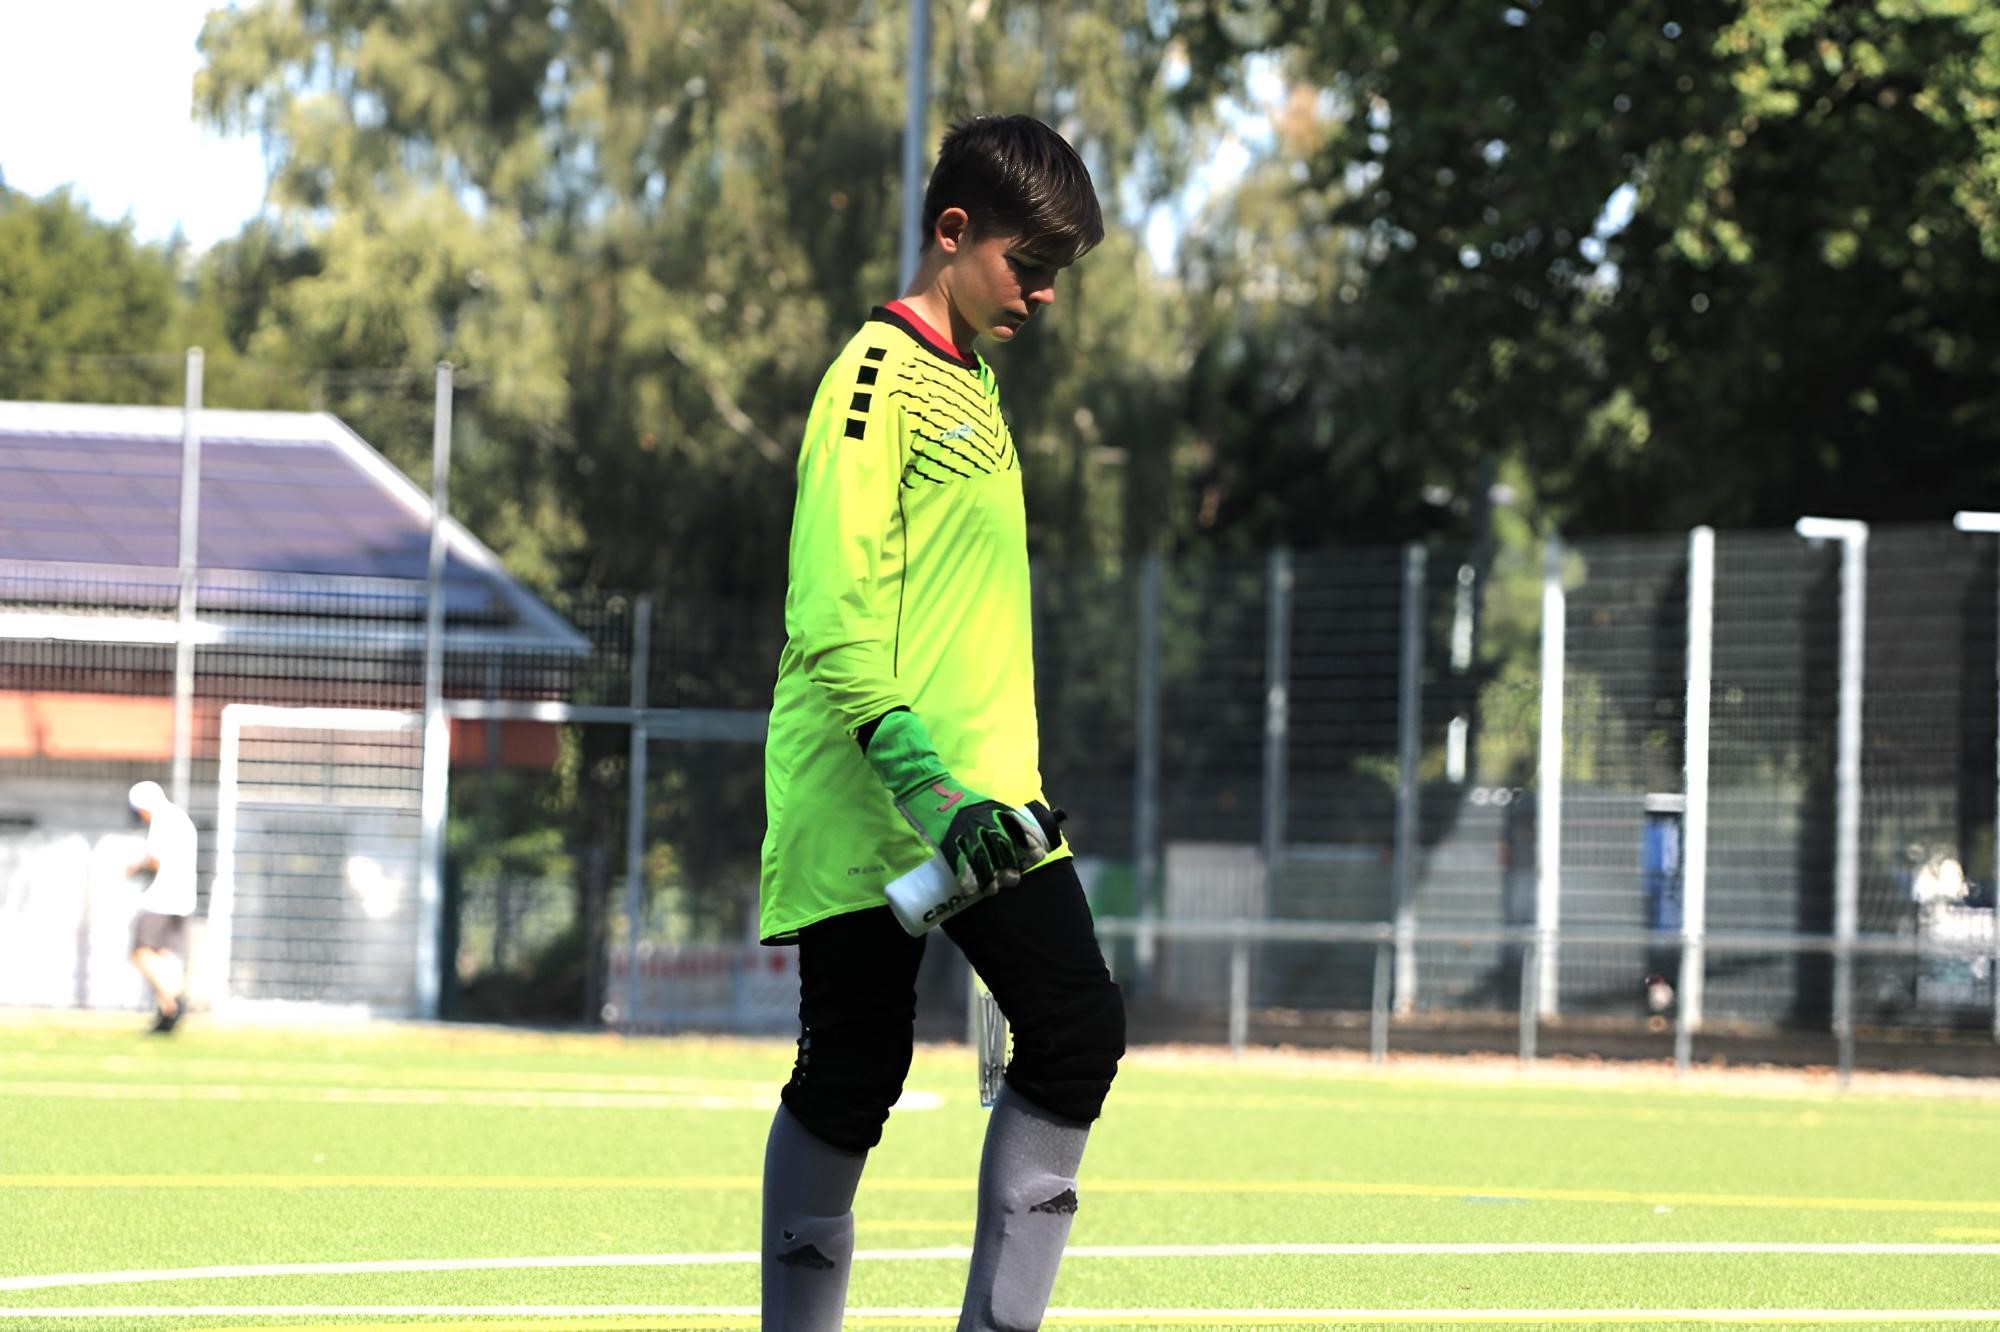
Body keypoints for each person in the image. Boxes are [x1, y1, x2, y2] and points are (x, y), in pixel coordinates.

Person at [758, 114, 1126, 1331]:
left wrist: (999, 781)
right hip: (885, 802)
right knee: (853, 1072)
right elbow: (831, 615)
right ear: (952, 232)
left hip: (987, 808)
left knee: (1073, 1030)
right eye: (1031, 264)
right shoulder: (871, 380)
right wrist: (931, 789)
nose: (1044, 293)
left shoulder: (972, 380)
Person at [125, 779, 198, 1033]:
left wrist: (135, 869)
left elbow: (156, 861)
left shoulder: (162, 820)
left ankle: (175, 999)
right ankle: (166, 1014)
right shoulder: (181, 818)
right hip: (184, 900)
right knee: (167, 957)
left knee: (141, 953)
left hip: (160, 899)